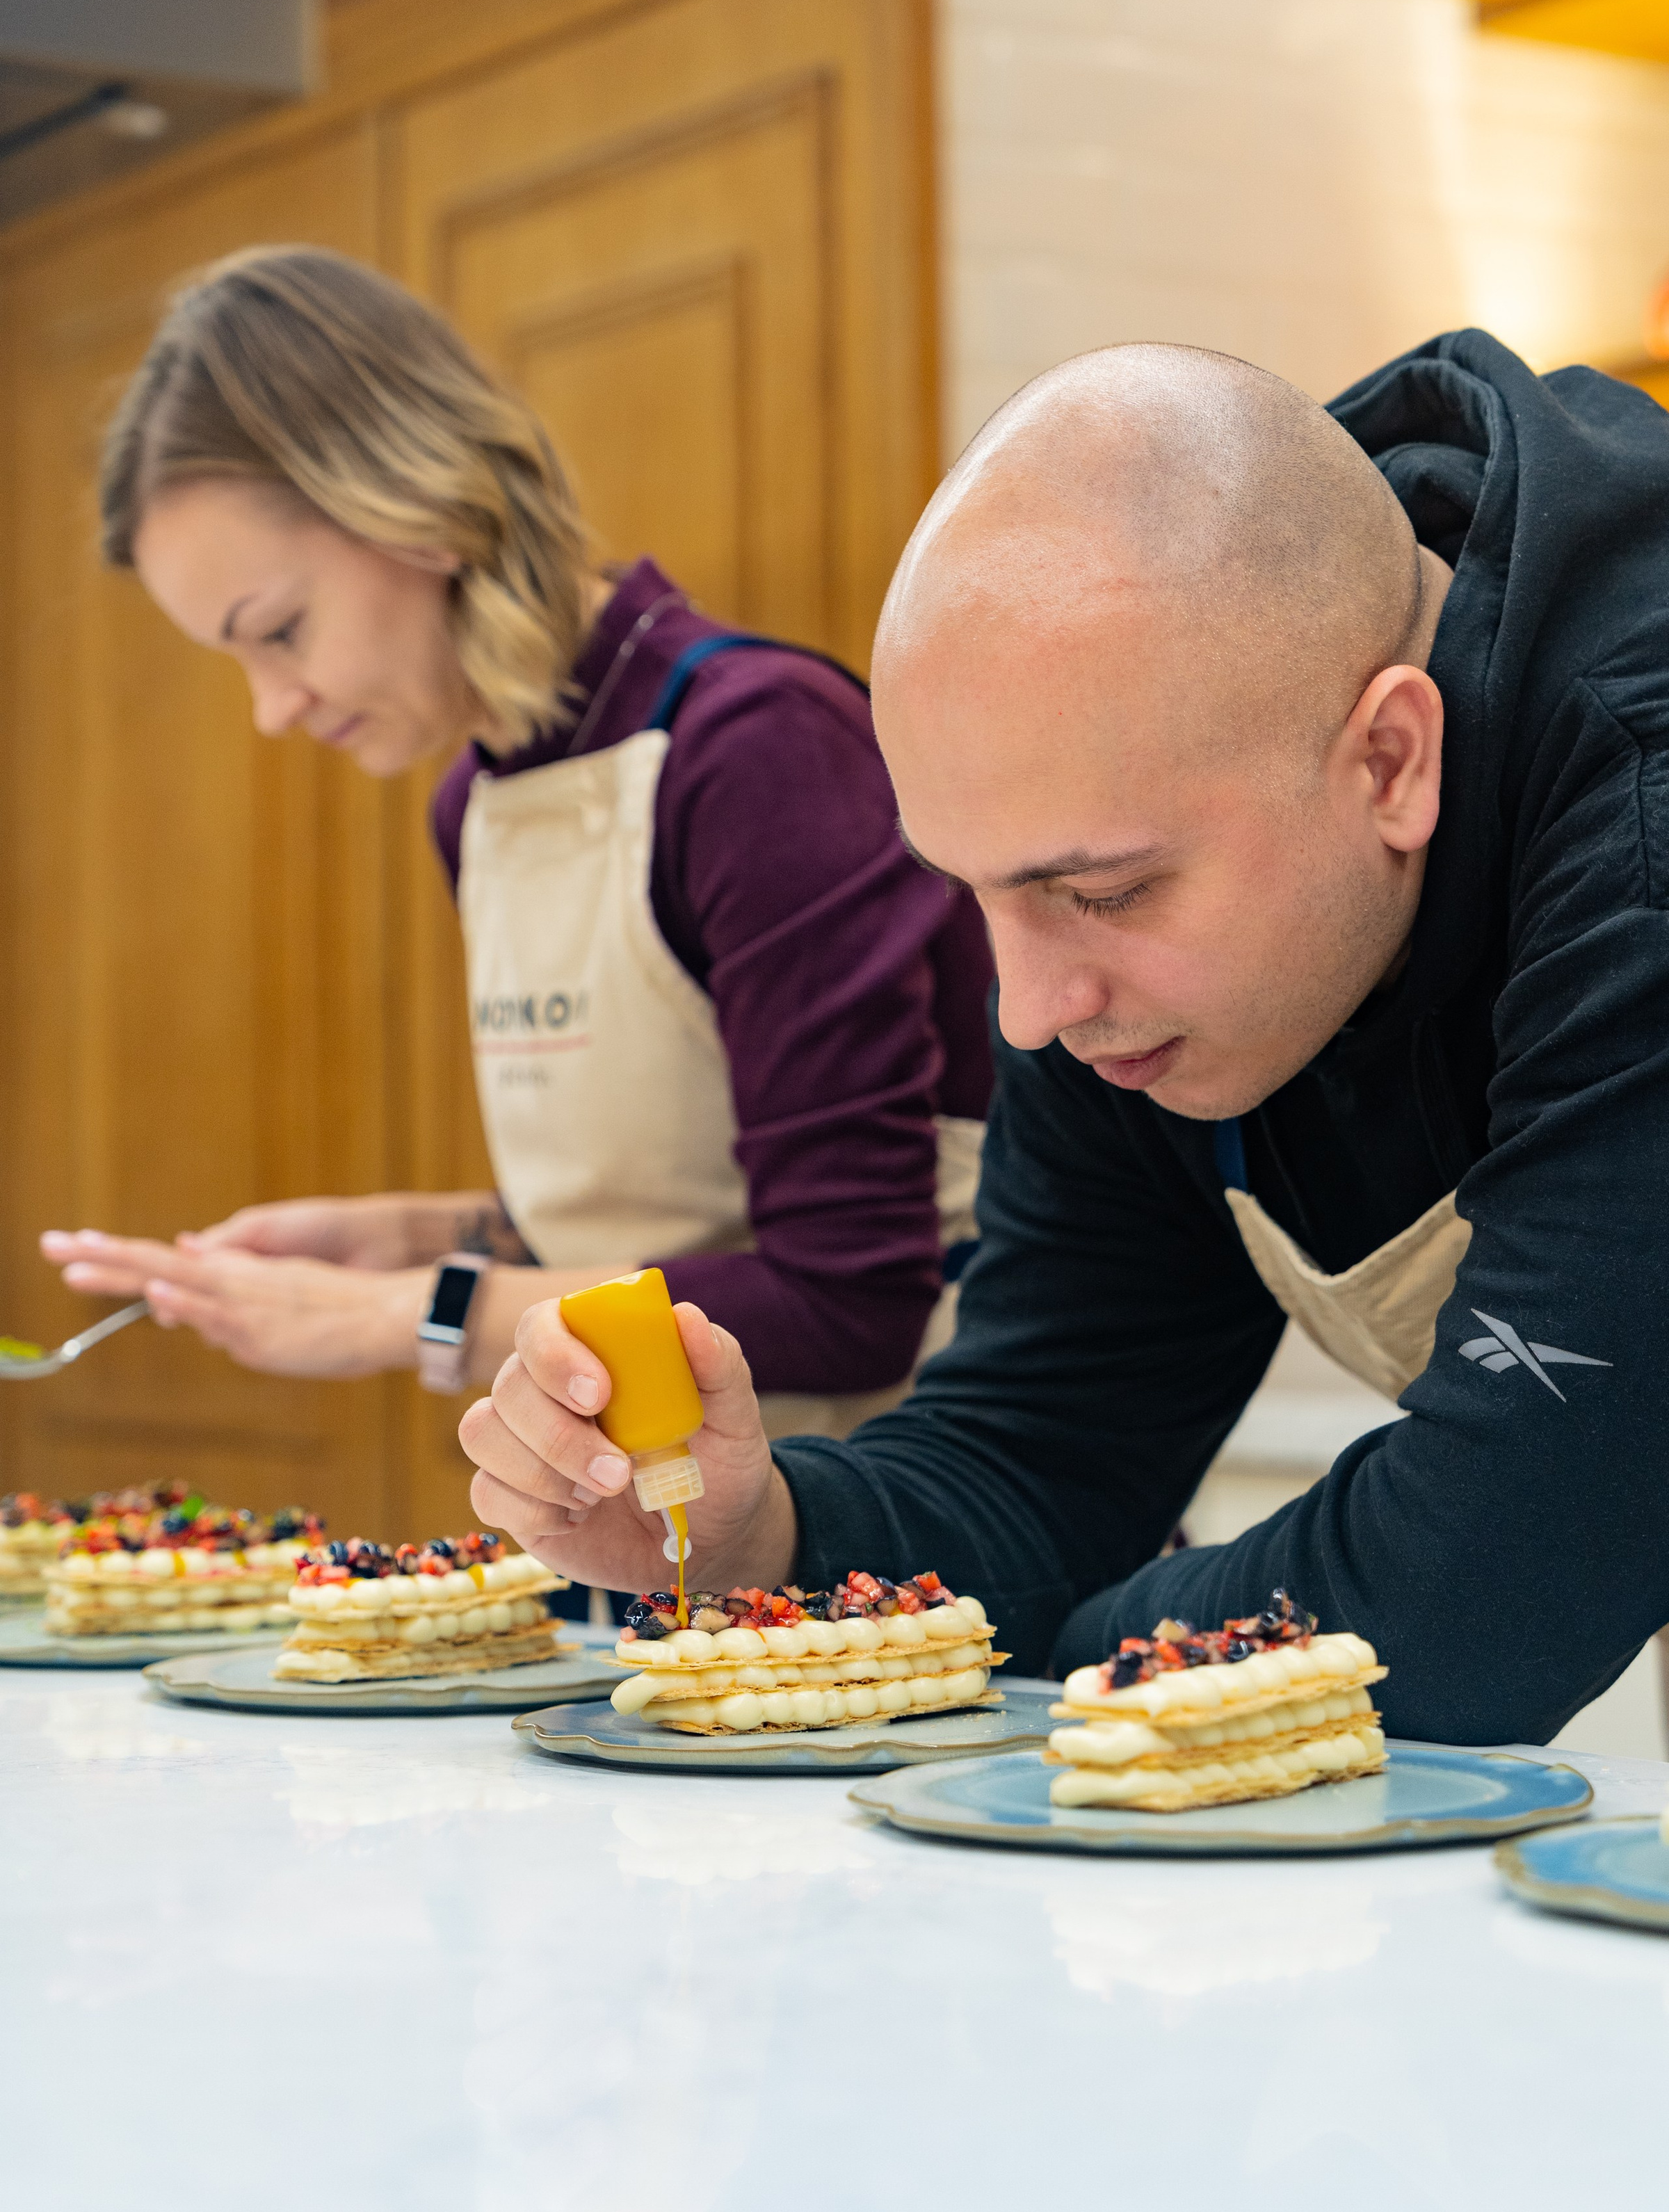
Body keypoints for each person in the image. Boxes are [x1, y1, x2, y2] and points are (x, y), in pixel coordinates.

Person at [459, 328, 1669, 1754]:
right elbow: (1043, 1453)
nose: (1028, 1009)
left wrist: (1032, 1648)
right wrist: (759, 1538)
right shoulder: (1141, 828)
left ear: (1390, 760)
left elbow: (1475, 1590)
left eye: (1103, 894)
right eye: (981, 896)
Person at [42, 247, 991, 1428]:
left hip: (909, 1502)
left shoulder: (759, 751)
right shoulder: (475, 807)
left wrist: (402, 1312)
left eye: (280, 631)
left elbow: (847, 1303)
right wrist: (407, 1237)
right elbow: (666, 1220)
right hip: (680, 1502)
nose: (271, 709)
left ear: (422, 509)